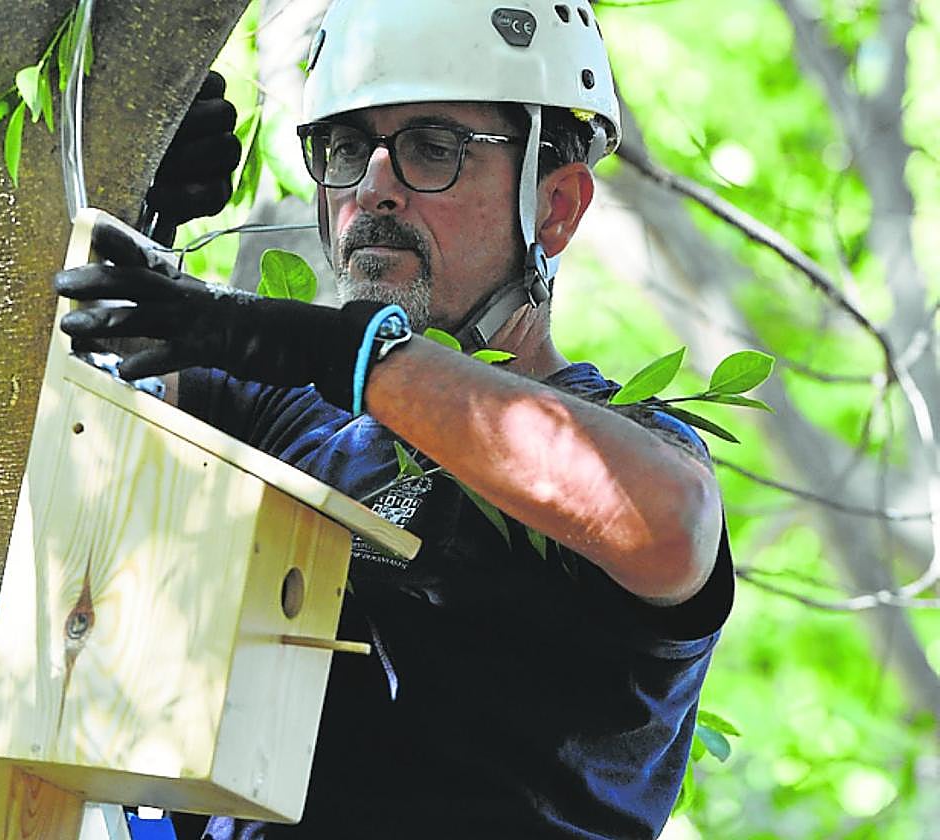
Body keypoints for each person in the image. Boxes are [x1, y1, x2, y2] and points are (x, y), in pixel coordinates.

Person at [56, 1, 734, 837]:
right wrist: (129, 217)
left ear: (555, 207)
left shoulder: (622, 442)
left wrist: (352, 356)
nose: (373, 186)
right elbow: (63, 439)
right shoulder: (277, 415)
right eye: (347, 148)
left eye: (432, 148)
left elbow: (668, 524)